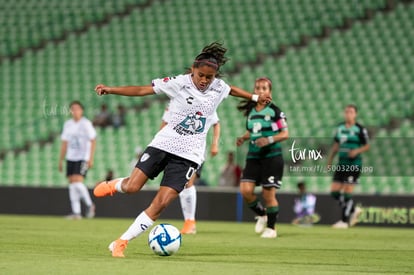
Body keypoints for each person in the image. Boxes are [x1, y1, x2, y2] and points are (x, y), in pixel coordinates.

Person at [92, 42, 270, 257]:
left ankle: (121, 242)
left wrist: (254, 97)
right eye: (201, 75)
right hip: (163, 144)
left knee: (160, 204)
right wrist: (111, 90)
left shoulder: (219, 87)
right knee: (132, 187)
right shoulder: (178, 83)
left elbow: (231, 89)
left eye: (209, 77)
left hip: (189, 155)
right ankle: (115, 185)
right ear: (193, 70)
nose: (204, 80)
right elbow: (142, 89)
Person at [236, 77, 288, 239]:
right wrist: (244, 138)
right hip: (253, 156)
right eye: (257, 88)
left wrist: (269, 140)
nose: (260, 90)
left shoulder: (275, 111)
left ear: (269, 92)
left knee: (268, 195)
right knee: (245, 190)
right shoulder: (251, 112)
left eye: (264, 88)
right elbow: (254, 131)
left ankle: (272, 229)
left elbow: (285, 133)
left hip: (271, 156)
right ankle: (262, 214)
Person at [160, 105, 221, 234]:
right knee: (181, 185)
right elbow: (164, 124)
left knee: (188, 183)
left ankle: (190, 222)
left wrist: (214, 144)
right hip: (175, 151)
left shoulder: (205, 102)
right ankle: (188, 222)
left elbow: (216, 124)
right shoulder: (173, 103)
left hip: (195, 151)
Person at [327, 104, 370, 229]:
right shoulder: (340, 128)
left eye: (351, 112)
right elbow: (336, 145)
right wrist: (330, 160)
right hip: (341, 164)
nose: (348, 114)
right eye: (346, 112)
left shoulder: (360, 129)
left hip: (354, 165)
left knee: (347, 192)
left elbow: (367, 145)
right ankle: (352, 210)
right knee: (334, 192)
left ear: (355, 114)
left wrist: (356, 151)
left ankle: (344, 221)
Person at [58, 101, 97, 219]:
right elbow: (64, 143)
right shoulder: (68, 124)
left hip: (82, 157)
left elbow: (93, 140)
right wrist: (60, 160)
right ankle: (76, 212)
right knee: (72, 183)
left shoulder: (86, 124)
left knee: (78, 182)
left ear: (82, 110)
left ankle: (90, 205)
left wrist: (90, 158)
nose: (75, 111)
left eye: (77, 109)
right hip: (70, 157)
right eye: (73, 109)